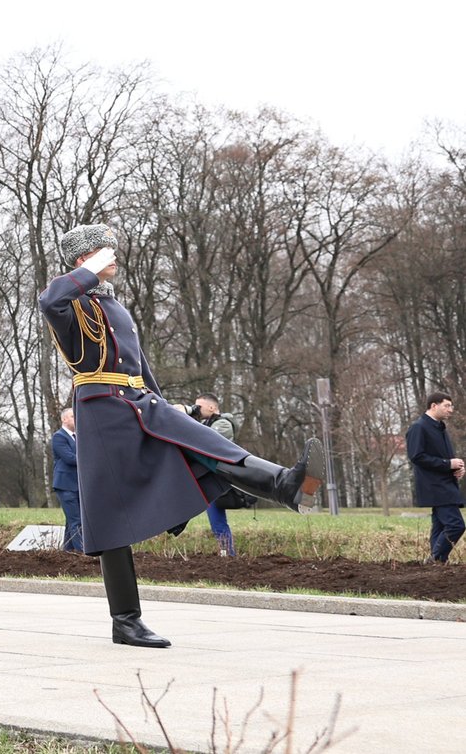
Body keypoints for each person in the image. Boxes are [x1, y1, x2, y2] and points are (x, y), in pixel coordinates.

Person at [40, 224, 322, 648]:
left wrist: (162, 400)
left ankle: (286, 485)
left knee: (209, 445)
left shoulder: (115, 306)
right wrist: (94, 269)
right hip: (103, 413)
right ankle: (126, 621)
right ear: (82, 260)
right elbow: (49, 298)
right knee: (110, 516)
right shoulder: (70, 303)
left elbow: (140, 364)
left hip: (141, 401)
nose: (112, 256)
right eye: (102, 251)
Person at [405, 391, 464, 564]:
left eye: (451, 406)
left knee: (439, 527)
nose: (451, 409)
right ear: (433, 406)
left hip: (445, 484)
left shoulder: (440, 427)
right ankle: (435, 559)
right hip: (435, 486)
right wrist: (448, 464)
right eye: (447, 405)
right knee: (456, 525)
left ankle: (438, 564)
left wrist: (458, 468)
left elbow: (444, 456)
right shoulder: (419, 427)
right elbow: (416, 456)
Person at [194, 395, 241, 556]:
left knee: (218, 521)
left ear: (211, 408)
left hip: (219, 479)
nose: (196, 410)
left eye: (199, 407)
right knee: (216, 521)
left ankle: (229, 555)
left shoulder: (223, 424)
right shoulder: (206, 423)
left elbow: (206, 441)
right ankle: (226, 554)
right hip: (209, 477)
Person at [51, 408, 82, 553]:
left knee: (71, 521)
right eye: (72, 416)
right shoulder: (59, 437)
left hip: (77, 485)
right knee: (77, 520)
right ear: (64, 419)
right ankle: (83, 552)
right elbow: (69, 458)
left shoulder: (78, 437)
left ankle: (68, 552)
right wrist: (90, 460)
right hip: (65, 485)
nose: (76, 418)